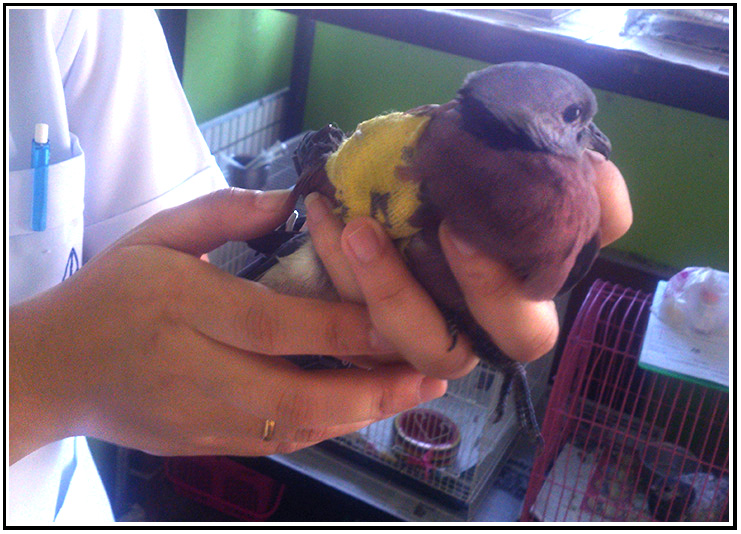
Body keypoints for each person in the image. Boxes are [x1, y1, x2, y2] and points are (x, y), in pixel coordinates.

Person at [8, 7, 633, 525]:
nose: (593, 145)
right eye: (579, 123)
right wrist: (39, 377)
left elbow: (169, 259)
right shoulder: (413, 162)